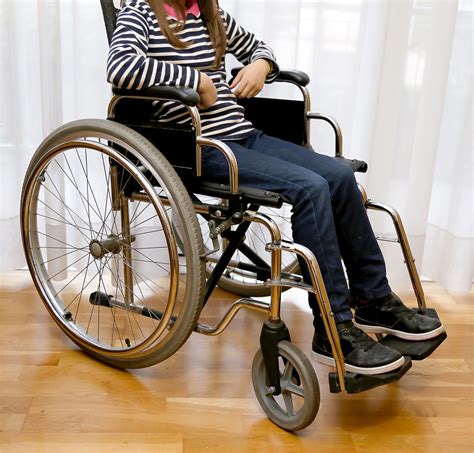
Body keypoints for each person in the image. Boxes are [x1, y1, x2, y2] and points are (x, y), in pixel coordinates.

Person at [107, 0, 444, 376]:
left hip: (243, 135)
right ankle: (334, 328)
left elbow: (257, 46)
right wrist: (197, 81)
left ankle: (373, 298)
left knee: (339, 176)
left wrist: (261, 64)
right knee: (310, 189)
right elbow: (120, 66)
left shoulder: (209, 13)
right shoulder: (140, 11)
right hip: (200, 147)